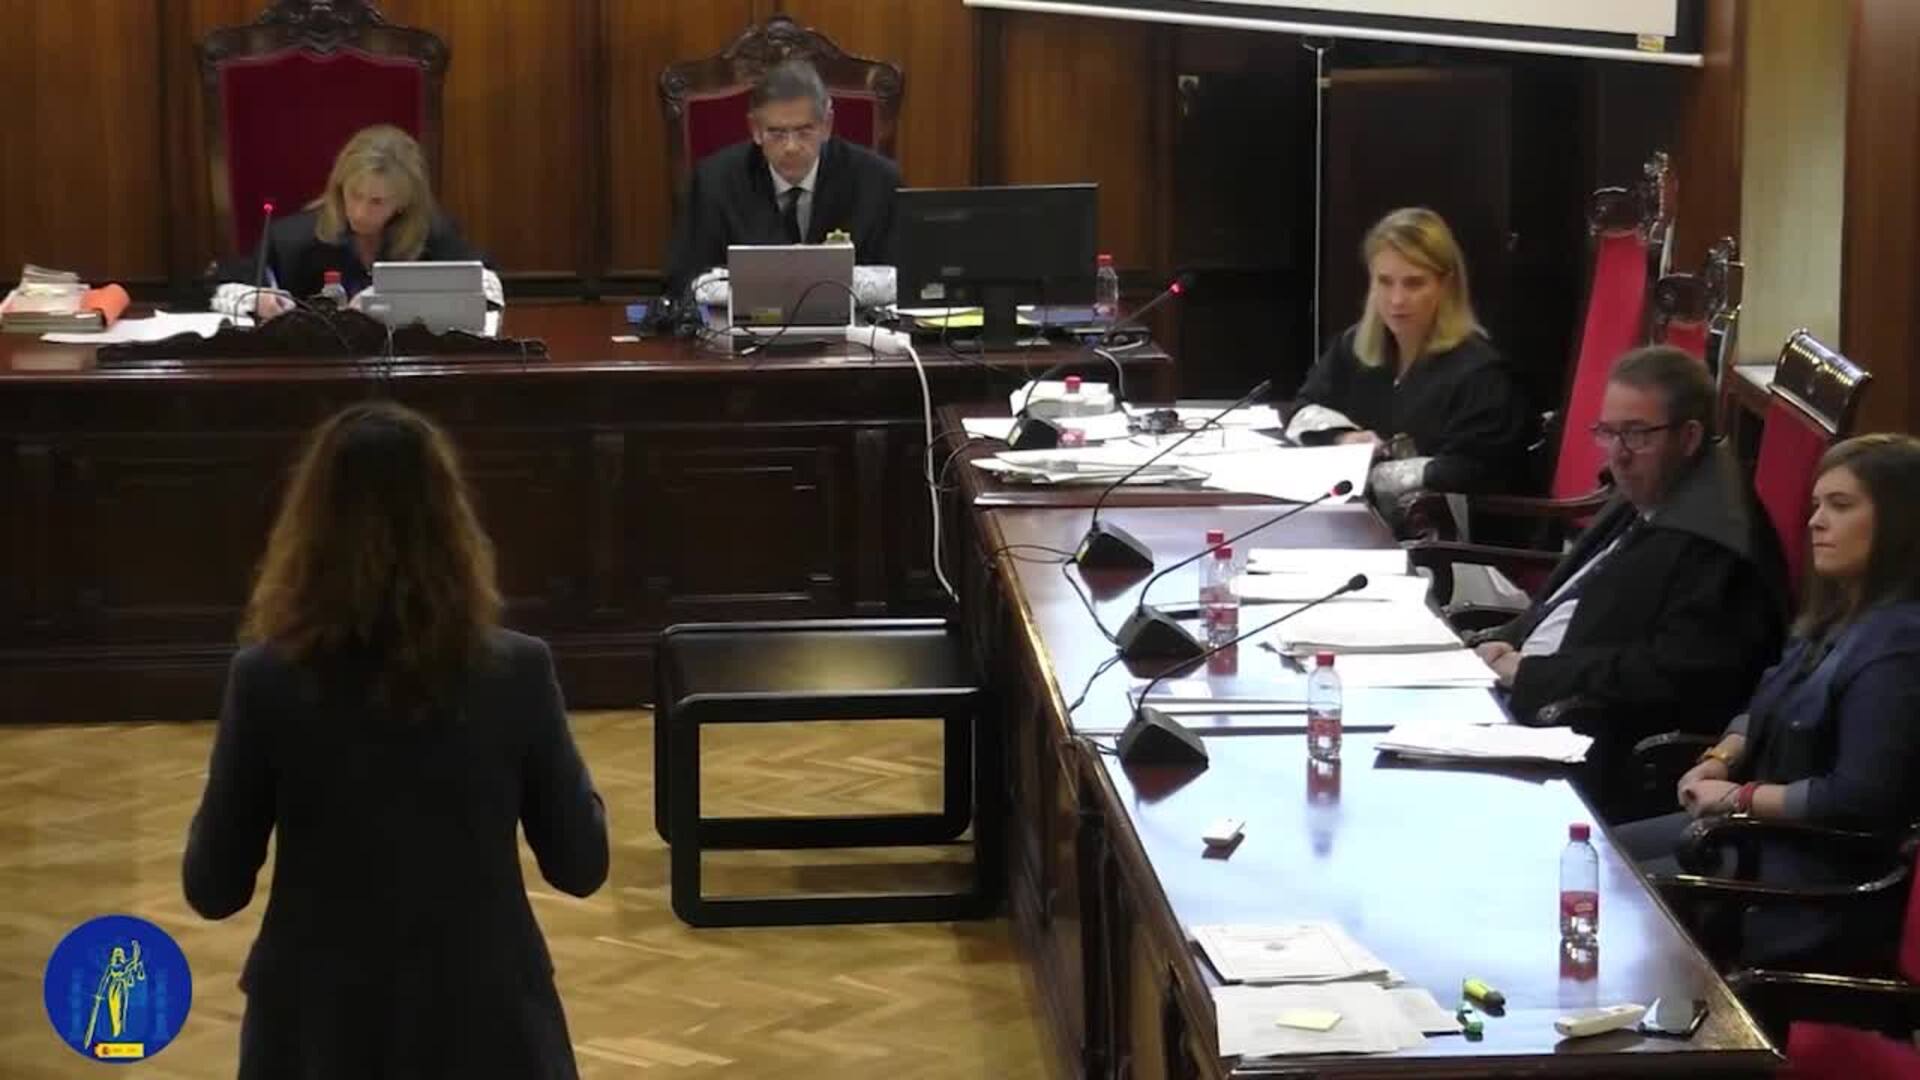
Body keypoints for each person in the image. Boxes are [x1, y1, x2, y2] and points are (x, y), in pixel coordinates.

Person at [181, 401, 607, 1079]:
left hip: (317, 1033)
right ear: (454, 528)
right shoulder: (519, 671)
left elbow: (213, 888)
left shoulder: (265, 680)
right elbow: (581, 866)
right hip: (486, 1026)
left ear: (308, 531)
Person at [1616, 433, 1920, 968]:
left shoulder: (1899, 645)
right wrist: (1720, 758)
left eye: (1840, 506)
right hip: (1751, 840)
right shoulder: (1837, 614)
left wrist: (1740, 797)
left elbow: (1856, 800)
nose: (1816, 522)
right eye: (1816, 505)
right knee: (1586, 855)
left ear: (1899, 523)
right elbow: (1765, 701)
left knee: (1603, 893)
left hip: (1807, 884)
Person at [1471, 346, 1788, 809]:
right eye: (1608, 432)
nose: (1618, 455)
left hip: (1594, 753)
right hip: (1515, 695)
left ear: (1689, 436)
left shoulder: (1716, 549)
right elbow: (1571, 594)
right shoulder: (1654, 487)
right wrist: (1506, 639)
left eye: (1636, 434)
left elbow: (1672, 675)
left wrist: (1531, 672)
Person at [1285, 207, 1534, 514]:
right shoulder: (1354, 346)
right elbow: (1304, 407)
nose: (1397, 300)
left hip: (1439, 533)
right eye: (1384, 281)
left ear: (1445, 285)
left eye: (1414, 283)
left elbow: (1475, 470)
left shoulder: (1481, 372)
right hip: (1352, 517)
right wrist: (1343, 438)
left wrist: (1376, 473)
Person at [213, 125, 503, 320]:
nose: (360, 212)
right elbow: (219, 290)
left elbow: (489, 290)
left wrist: (393, 300)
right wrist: (256, 300)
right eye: (354, 194)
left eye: (377, 202)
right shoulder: (291, 238)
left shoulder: (432, 232)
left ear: (403, 202)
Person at [665, 59, 901, 296]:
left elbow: (901, 280)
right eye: (777, 133)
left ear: (826, 125)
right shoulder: (715, 182)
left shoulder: (877, 181)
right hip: (746, 318)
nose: (791, 147)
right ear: (755, 129)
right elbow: (686, 280)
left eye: (804, 131)